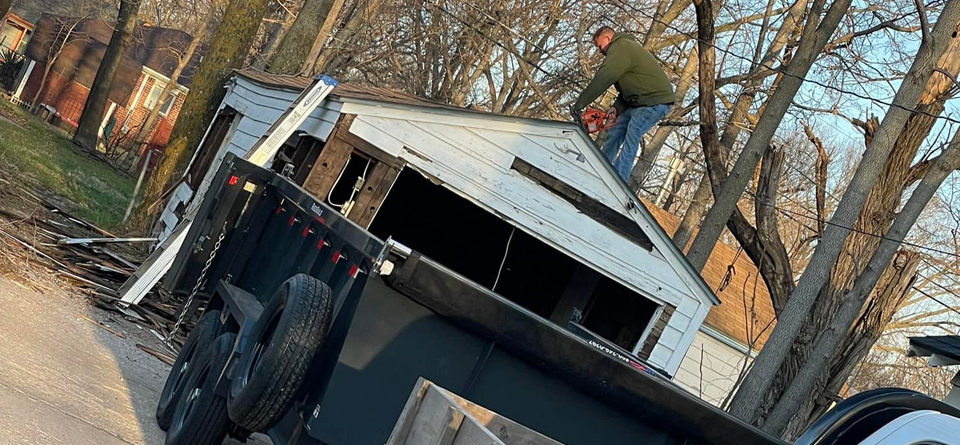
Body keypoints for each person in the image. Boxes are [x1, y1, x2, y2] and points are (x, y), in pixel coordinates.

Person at [572, 26, 675, 181]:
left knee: (632, 133)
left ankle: (618, 180)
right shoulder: (623, 51)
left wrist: (580, 104)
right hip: (638, 102)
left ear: (607, 38)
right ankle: (599, 170)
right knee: (615, 131)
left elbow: (604, 77)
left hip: (655, 101)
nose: (600, 52)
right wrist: (616, 108)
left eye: (600, 47)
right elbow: (629, 89)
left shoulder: (621, 47)